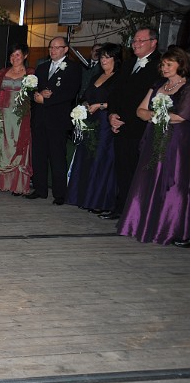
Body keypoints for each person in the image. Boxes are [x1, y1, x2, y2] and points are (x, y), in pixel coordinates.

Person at [118, 47, 189, 247]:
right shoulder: (158, 84)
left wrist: (156, 116)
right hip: (153, 137)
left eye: (169, 64)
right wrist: (154, 116)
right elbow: (140, 110)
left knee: (173, 181)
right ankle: (144, 223)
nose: (164, 68)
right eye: (163, 64)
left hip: (175, 140)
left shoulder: (187, 87)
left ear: (180, 65)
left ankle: (171, 227)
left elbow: (181, 116)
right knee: (149, 177)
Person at [103, 28, 161, 221]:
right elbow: (115, 92)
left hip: (140, 127)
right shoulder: (128, 64)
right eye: (134, 41)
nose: (135, 44)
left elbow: (148, 100)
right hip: (120, 126)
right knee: (122, 169)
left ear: (153, 42)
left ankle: (137, 212)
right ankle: (122, 208)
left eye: (140, 41)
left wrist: (124, 118)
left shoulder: (159, 66)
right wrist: (112, 115)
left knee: (139, 171)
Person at [66, 43, 120, 212]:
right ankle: (83, 197)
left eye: (107, 57)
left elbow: (121, 101)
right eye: (102, 57)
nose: (104, 60)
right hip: (90, 121)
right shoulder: (97, 75)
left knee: (100, 158)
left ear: (115, 59)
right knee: (86, 157)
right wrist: (84, 106)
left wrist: (101, 105)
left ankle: (98, 201)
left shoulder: (119, 77)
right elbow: (85, 95)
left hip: (105, 122)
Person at [27, 36, 82, 205]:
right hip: (40, 118)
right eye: (51, 47)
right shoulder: (42, 67)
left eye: (57, 47)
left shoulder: (73, 68)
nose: (53, 50)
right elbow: (31, 87)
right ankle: (40, 189)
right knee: (39, 155)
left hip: (57, 119)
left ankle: (60, 194)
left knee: (57, 156)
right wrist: (36, 95)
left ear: (65, 49)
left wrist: (47, 100)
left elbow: (70, 93)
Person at [0, 43, 34, 194]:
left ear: (25, 56)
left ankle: (16, 185)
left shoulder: (30, 73)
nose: (14, 58)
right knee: (0, 144)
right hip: (2, 116)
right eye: (12, 55)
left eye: (18, 54)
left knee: (17, 145)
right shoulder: (3, 72)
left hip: (19, 117)